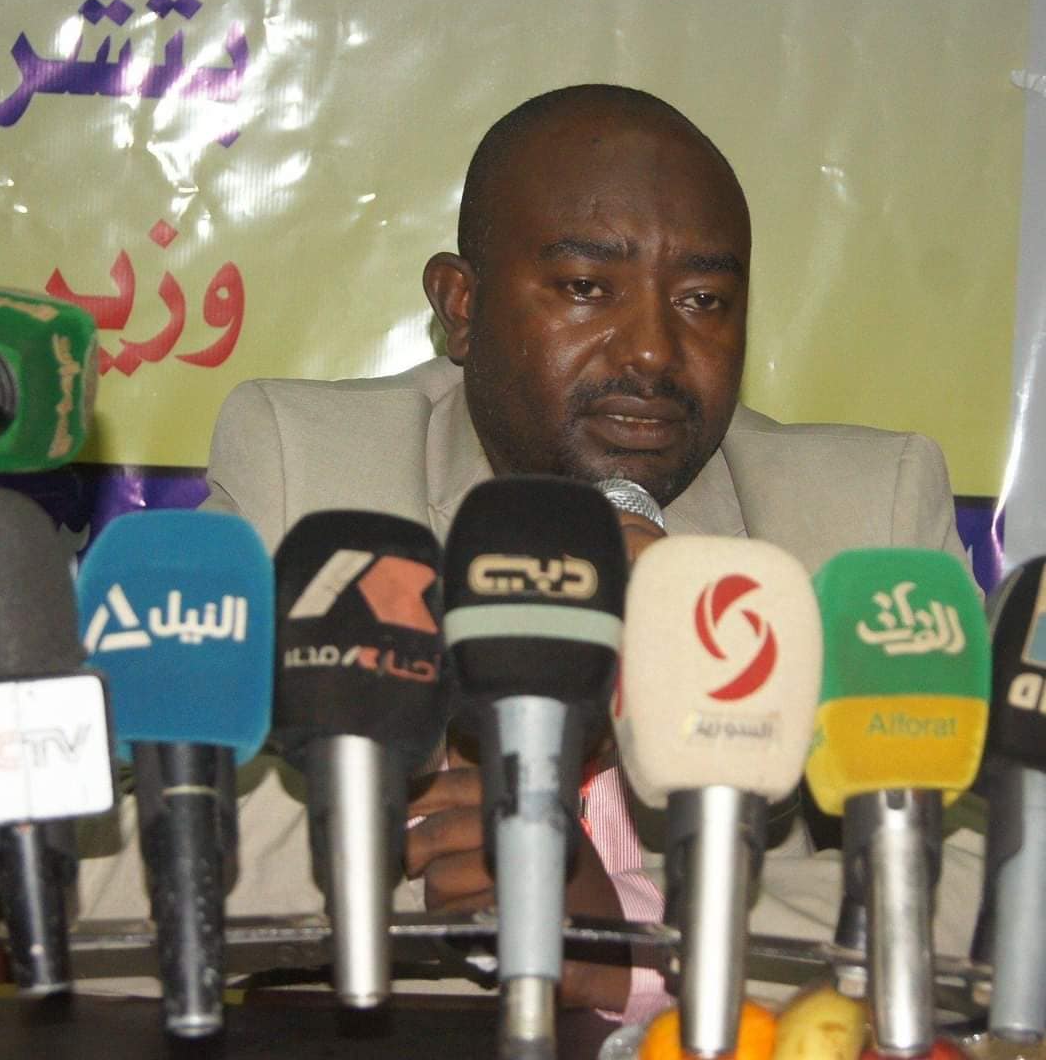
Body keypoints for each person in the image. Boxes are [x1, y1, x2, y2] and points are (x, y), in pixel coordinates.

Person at [76, 85, 980, 1020]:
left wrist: (633, 941)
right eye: (587, 288)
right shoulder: (312, 473)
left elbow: (1000, 886)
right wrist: (450, 764)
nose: (653, 351)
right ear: (460, 305)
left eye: (704, 300)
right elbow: (92, 890)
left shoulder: (859, 513)